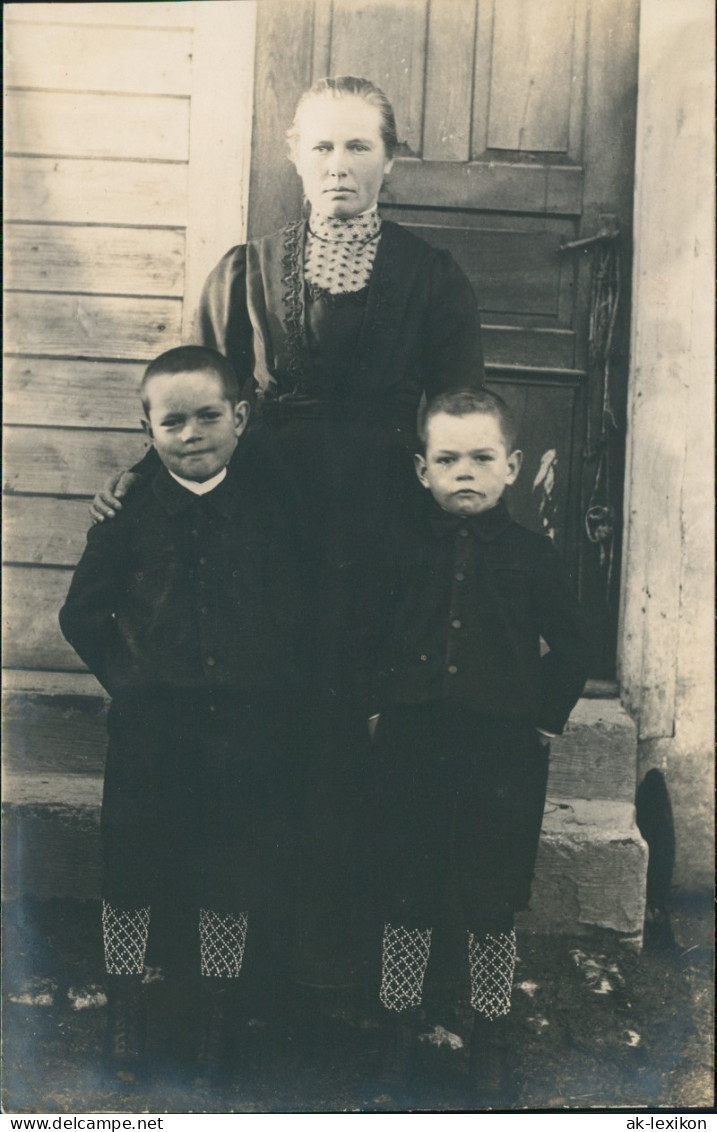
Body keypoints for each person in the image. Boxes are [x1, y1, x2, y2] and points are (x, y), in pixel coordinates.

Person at [89, 75, 485, 991]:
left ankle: (343, 962)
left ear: (390, 157)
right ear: (293, 155)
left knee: (356, 726)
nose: (338, 166)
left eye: (357, 147)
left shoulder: (431, 276)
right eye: (321, 147)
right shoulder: (243, 270)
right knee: (264, 726)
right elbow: (196, 397)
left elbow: (460, 408)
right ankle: (250, 961)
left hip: (380, 532)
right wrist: (137, 482)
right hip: (259, 531)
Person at [59, 346, 307, 1086]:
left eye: (208, 416)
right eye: (173, 421)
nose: (192, 434)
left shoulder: (269, 508)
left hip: (242, 730)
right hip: (149, 729)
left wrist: (266, 683)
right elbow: (81, 614)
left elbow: (299, 612)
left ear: (240, 418)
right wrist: (132, 679)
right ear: (147, 427)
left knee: (229, 867)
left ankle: (215, 1020)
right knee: (132, 867)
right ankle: (125, 1014)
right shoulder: (128, 510)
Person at [353, 389, 591, 1106]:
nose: (465, 472)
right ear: (420, 469)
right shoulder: (395, 546)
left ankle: (490, 1039)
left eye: (481, 458)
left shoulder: (533, 555)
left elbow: (574, 645)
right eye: (447, 458)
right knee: (406, 889)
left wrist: (543, 721)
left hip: (502, 756)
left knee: (490, 896)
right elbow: (362, 634)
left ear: (511, 467)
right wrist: (374, 709)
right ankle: (396, 1031)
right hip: (410, 745)